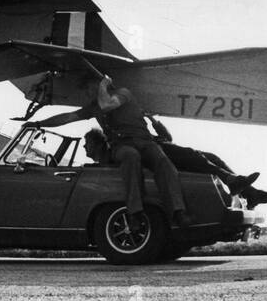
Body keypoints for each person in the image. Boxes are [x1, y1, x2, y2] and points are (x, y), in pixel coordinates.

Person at [65, 74, 190, 229]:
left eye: (89, 88)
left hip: (144, 141)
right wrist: (39, 123)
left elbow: (107, 105)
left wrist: (103, 85)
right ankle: (135, 212)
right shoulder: (93, 107)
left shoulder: (123, 93)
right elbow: (68, 117)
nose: (87, 93)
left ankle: (178, 211)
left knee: (163, 162)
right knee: (130, 156)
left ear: (98, 85)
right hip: (121, 146)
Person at [84, 122, 267, 209]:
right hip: (163, 159)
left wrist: (155, 123)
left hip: (162, 153)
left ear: (98, 143)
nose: (85, 146)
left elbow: (166, 138)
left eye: (87, 143)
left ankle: (250, 193)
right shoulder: (113, 156)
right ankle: (237, 185)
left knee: (210, 156)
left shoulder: (119, 146)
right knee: (194, 156)